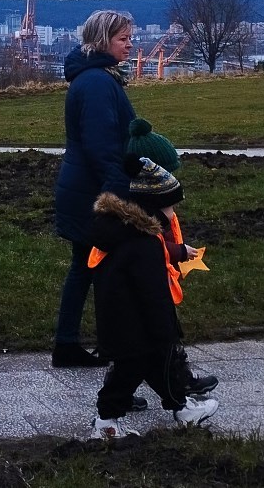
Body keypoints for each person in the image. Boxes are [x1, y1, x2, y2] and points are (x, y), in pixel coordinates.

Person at [88, 157, 218, 439]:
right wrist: (165, 329)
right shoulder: (143, 244)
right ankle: (106, 422)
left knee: (159, 367)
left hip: (126, 321)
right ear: (155, 207)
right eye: (170, 206)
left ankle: (182, 407)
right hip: (136, 325)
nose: (173, 213)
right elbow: (152, 292)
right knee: (129, 372)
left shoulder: (127, 233)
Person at [52, 10, 137, 369]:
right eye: (123, 39)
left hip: (83, 188)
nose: (130, 45)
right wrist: (116, 196)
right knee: (107, 271)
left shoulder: (92, 77)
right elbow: (102, 147)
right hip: (94, 192)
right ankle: (113, 347)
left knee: (84, 267)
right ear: (103, 41)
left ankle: (68, 343)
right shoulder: (98, 83)